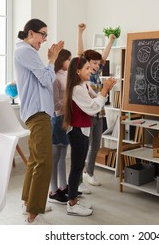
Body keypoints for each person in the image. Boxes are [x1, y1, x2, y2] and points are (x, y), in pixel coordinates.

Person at [14, 18, 64, 224]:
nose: (44, 39)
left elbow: (43, 79)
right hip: (38, 113)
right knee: (44, 161)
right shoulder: (26, 51)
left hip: (37, 112)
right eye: (43, 34)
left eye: (46, 35)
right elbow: (46, 80)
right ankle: (34, 209)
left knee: (35, 160)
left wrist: (48, 64)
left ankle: (28, 202)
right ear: (31, 33)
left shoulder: (27, 52)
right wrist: (52, 60)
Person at [63, 56, 116, 216]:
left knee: (79, 167)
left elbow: (95, 98)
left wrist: (105, 90)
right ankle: (71, 203)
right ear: (77, 71)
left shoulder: (84, 85)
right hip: (77, 131)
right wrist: (105, 91)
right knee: (76, 168)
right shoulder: (77, 89)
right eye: (86, 68)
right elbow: (93, 108)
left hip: (84, 129)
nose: (90, 70)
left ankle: (74, 198)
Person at [76, 23, 116, 193]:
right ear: (86, 63)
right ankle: (77, 180)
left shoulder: (98, 72)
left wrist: (111, 41)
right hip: (87, 113)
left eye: (99, 64)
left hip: (99, 113)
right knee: (83, 147)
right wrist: (80, 32)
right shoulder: (83, 73)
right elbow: (80, 53)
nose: (97, 66)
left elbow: (104, 56)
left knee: (95, 145)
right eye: (94, 63)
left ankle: (89, 172)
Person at [48, 49, 72, 204]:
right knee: (55, 156)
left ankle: (63, 187)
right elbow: (55, 103)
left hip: (66, 117)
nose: (70, 62)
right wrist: (68, 105)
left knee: (63, 155)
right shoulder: (54, 77)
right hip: (58, 118)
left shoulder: (65, 75)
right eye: (68, 59)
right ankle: (53, 190)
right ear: (61, 59)